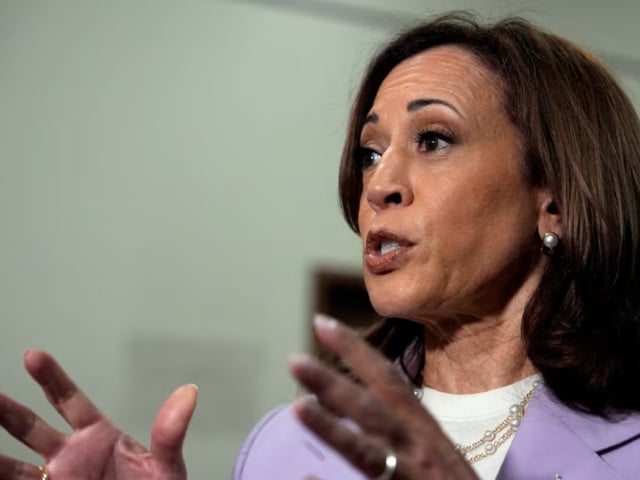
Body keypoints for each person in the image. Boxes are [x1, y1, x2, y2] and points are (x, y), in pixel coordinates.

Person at [2, 12, 640, 480]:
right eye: (370, 152)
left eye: (434, 139)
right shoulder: (284, 447)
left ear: (552, 197)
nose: (380, 185)